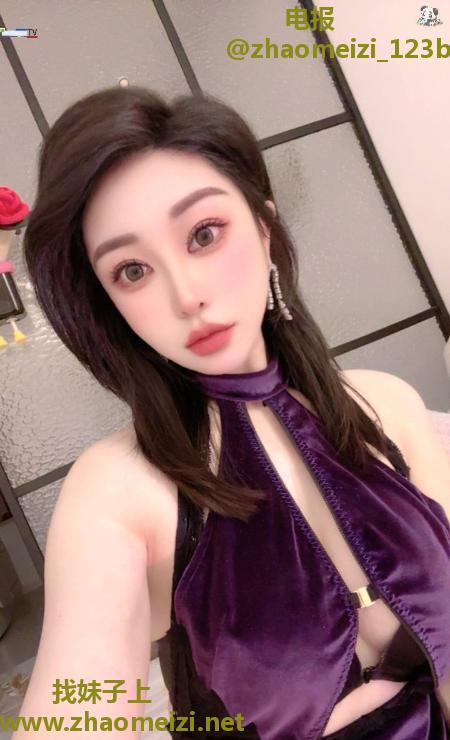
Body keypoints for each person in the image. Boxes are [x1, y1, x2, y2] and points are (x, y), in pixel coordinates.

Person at [15, 85, 450, 739]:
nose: (187, 295)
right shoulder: (117, 492)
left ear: (265, 229)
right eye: (132, 270)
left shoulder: (385, 404)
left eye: (204, 234)